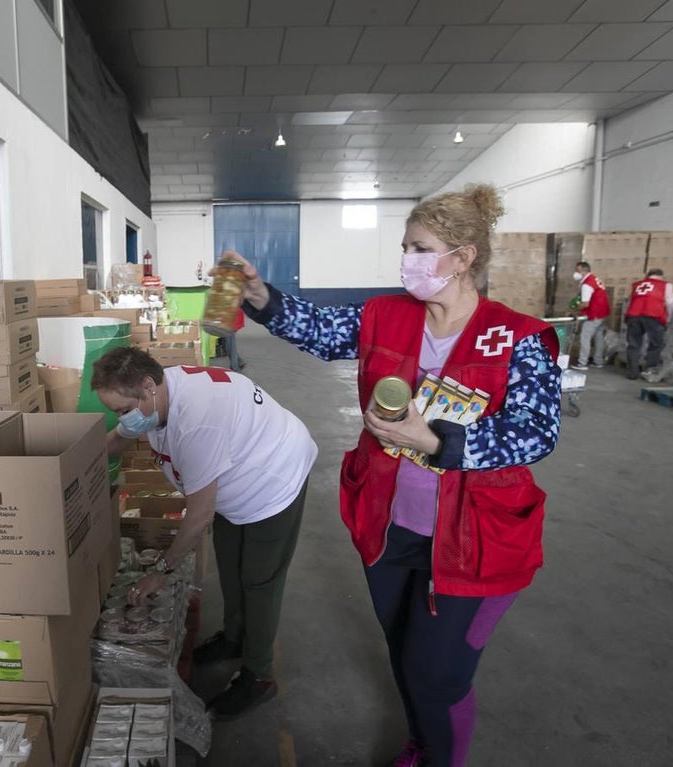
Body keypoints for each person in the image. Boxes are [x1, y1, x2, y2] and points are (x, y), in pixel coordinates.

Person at [226, 184, 561, 767]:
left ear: (464, 257)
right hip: (389, 526)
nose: (406, 260)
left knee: (437, 676)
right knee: (404, 651)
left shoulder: (518, 336)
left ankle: (441, 757)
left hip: (473, 539)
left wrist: (435, 441)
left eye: (420, 248)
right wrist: (260, 296)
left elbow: (537, 431)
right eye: (405, 247)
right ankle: (423, 741)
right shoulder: (386, 315)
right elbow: (324, 331)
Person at [90, 346, 317, 719]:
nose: (122, 420)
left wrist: (160, 571)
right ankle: (233, 639)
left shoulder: (197, 421)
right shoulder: (158, 393)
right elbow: (118, 438)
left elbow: (198, 517)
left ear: (148, 386)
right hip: (234, 477)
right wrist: (73, 465)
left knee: (258, 582)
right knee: (230, 567)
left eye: (123, 410)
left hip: (273, 478)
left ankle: (258, 675)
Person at [624, 268, 673, 380]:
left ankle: (632, 372)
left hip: (634, 315)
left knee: (633, 344)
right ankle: (649, 371)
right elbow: (670, 303)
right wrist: (668, 318)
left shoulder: (636, 285)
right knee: (655, 345)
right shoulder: (665, 285)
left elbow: (630, 300)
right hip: (653, 315)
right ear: (660, 276)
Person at [570, 261, 610, 370]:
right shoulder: (595, 279)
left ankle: (582, 363)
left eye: (578, 271)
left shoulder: (587, 284)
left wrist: (575, 311)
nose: (576, 273)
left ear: (583, 271)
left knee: (585, 337)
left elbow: (585, 303)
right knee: (598, 337)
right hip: (602, 313)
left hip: (594, 314)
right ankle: (598, 361)